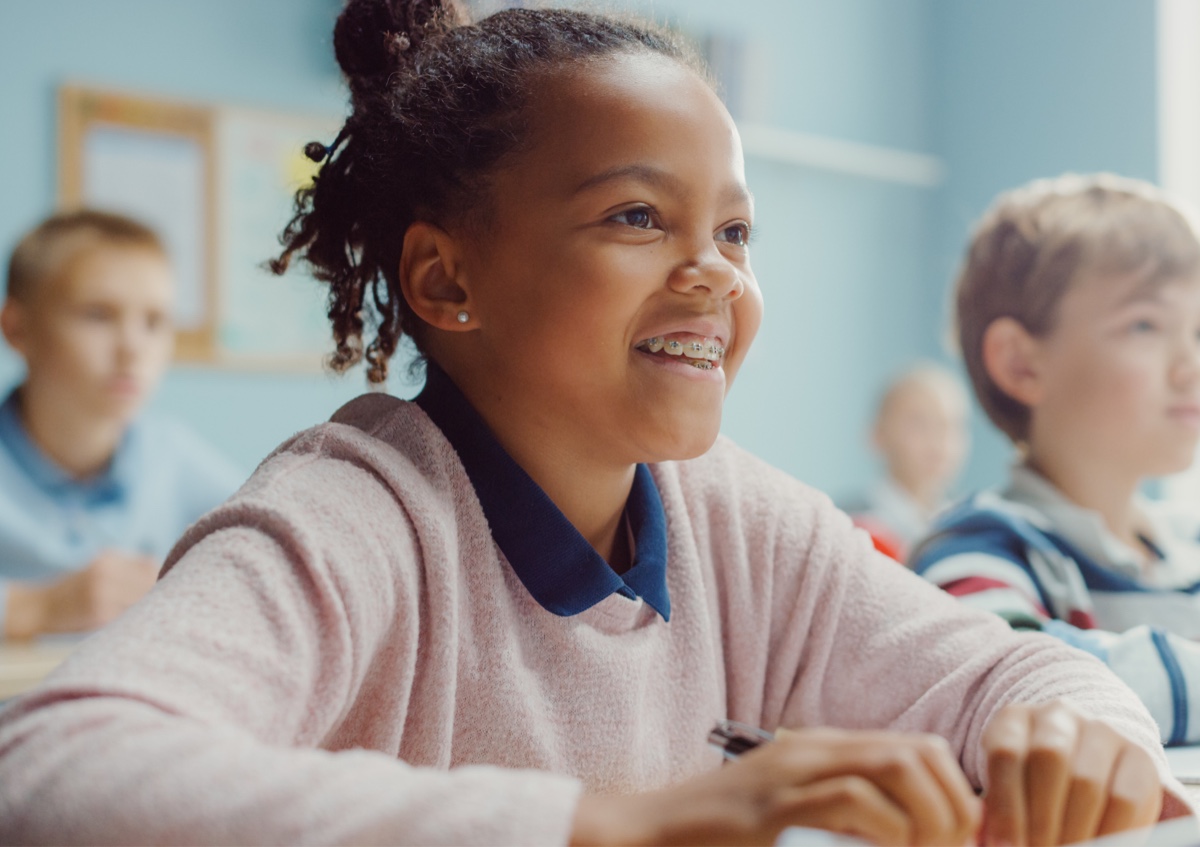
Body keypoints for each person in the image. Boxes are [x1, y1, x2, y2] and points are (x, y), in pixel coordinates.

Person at [0, 7, 1186, 846]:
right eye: (636, 215)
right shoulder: (355, 514)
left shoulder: (743, 519)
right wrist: (608, 825)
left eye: (734, 233)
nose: (714, 273)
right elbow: (50, 774)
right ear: (447, 280)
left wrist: (1072, 730)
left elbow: (1011, 673)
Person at [910, 173, 1200, 747]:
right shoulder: (982, 546)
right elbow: (1000, 680)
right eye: (1146, 326)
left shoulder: (1186, 548)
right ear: (1021, 364)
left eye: (1198, 330)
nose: (1189, 365)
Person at [0, 209, 244, 640]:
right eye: (98, 314)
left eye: (154, 322)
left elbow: (271, 544)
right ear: (17, 328)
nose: (133, 348)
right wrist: (37, 608)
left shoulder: (170, 454)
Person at [842, 363, 969, 560]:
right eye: (918, 423)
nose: (937, 439)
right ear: (877, 434)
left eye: (949, 425)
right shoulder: (844, 527)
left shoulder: (972, 529)